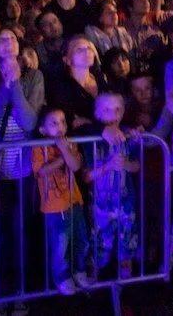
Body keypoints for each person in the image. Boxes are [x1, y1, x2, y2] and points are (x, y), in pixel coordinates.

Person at [0, 28, 45, 308]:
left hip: (21, 167)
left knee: (19, 232)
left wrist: (14, 84)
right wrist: (4, 90)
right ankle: (0, 297)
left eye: (13, 38)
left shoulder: (33, 77)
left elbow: (28, 122)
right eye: (2, 39)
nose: (8, 42)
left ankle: (20, 294)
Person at [32, 107, 91, 296]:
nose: (60, 126)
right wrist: (63, 156)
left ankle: (79, 270)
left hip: (74, 200)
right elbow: (41, 171)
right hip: (54, 206)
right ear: (43, 130)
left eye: (63, 122)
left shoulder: (70, 144)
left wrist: (65, 150)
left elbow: (75, 165)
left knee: (81, 238)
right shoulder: (38, 147)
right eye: (54, 123)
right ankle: (62, 276)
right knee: (60, 245)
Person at [90, 93, 141, 278]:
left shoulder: (128, 134)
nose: (113, 114)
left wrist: (125, 164)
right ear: (97, 113)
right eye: (107, 110)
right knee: (100, 245)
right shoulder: (93, 139)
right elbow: (86, 175)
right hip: (101, 204)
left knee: (127, 243)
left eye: (118, 109)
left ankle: (123, 285)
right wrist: (109, 166)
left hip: (126, 203)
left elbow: (137, 165)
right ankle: (93, 282)